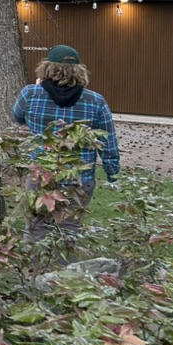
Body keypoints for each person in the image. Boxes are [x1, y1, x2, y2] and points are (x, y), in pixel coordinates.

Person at [12, 44, 121, 239]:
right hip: (79, 177)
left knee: (37, 226)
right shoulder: (95, 101)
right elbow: (108, 140)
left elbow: (18, 117)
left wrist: (39, 88)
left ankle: (37, 267)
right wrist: (112, 172)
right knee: (70, 228)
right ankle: (66, 268)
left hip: (41, 174)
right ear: (80, 71)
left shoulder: (30, 94)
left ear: (46, 68)